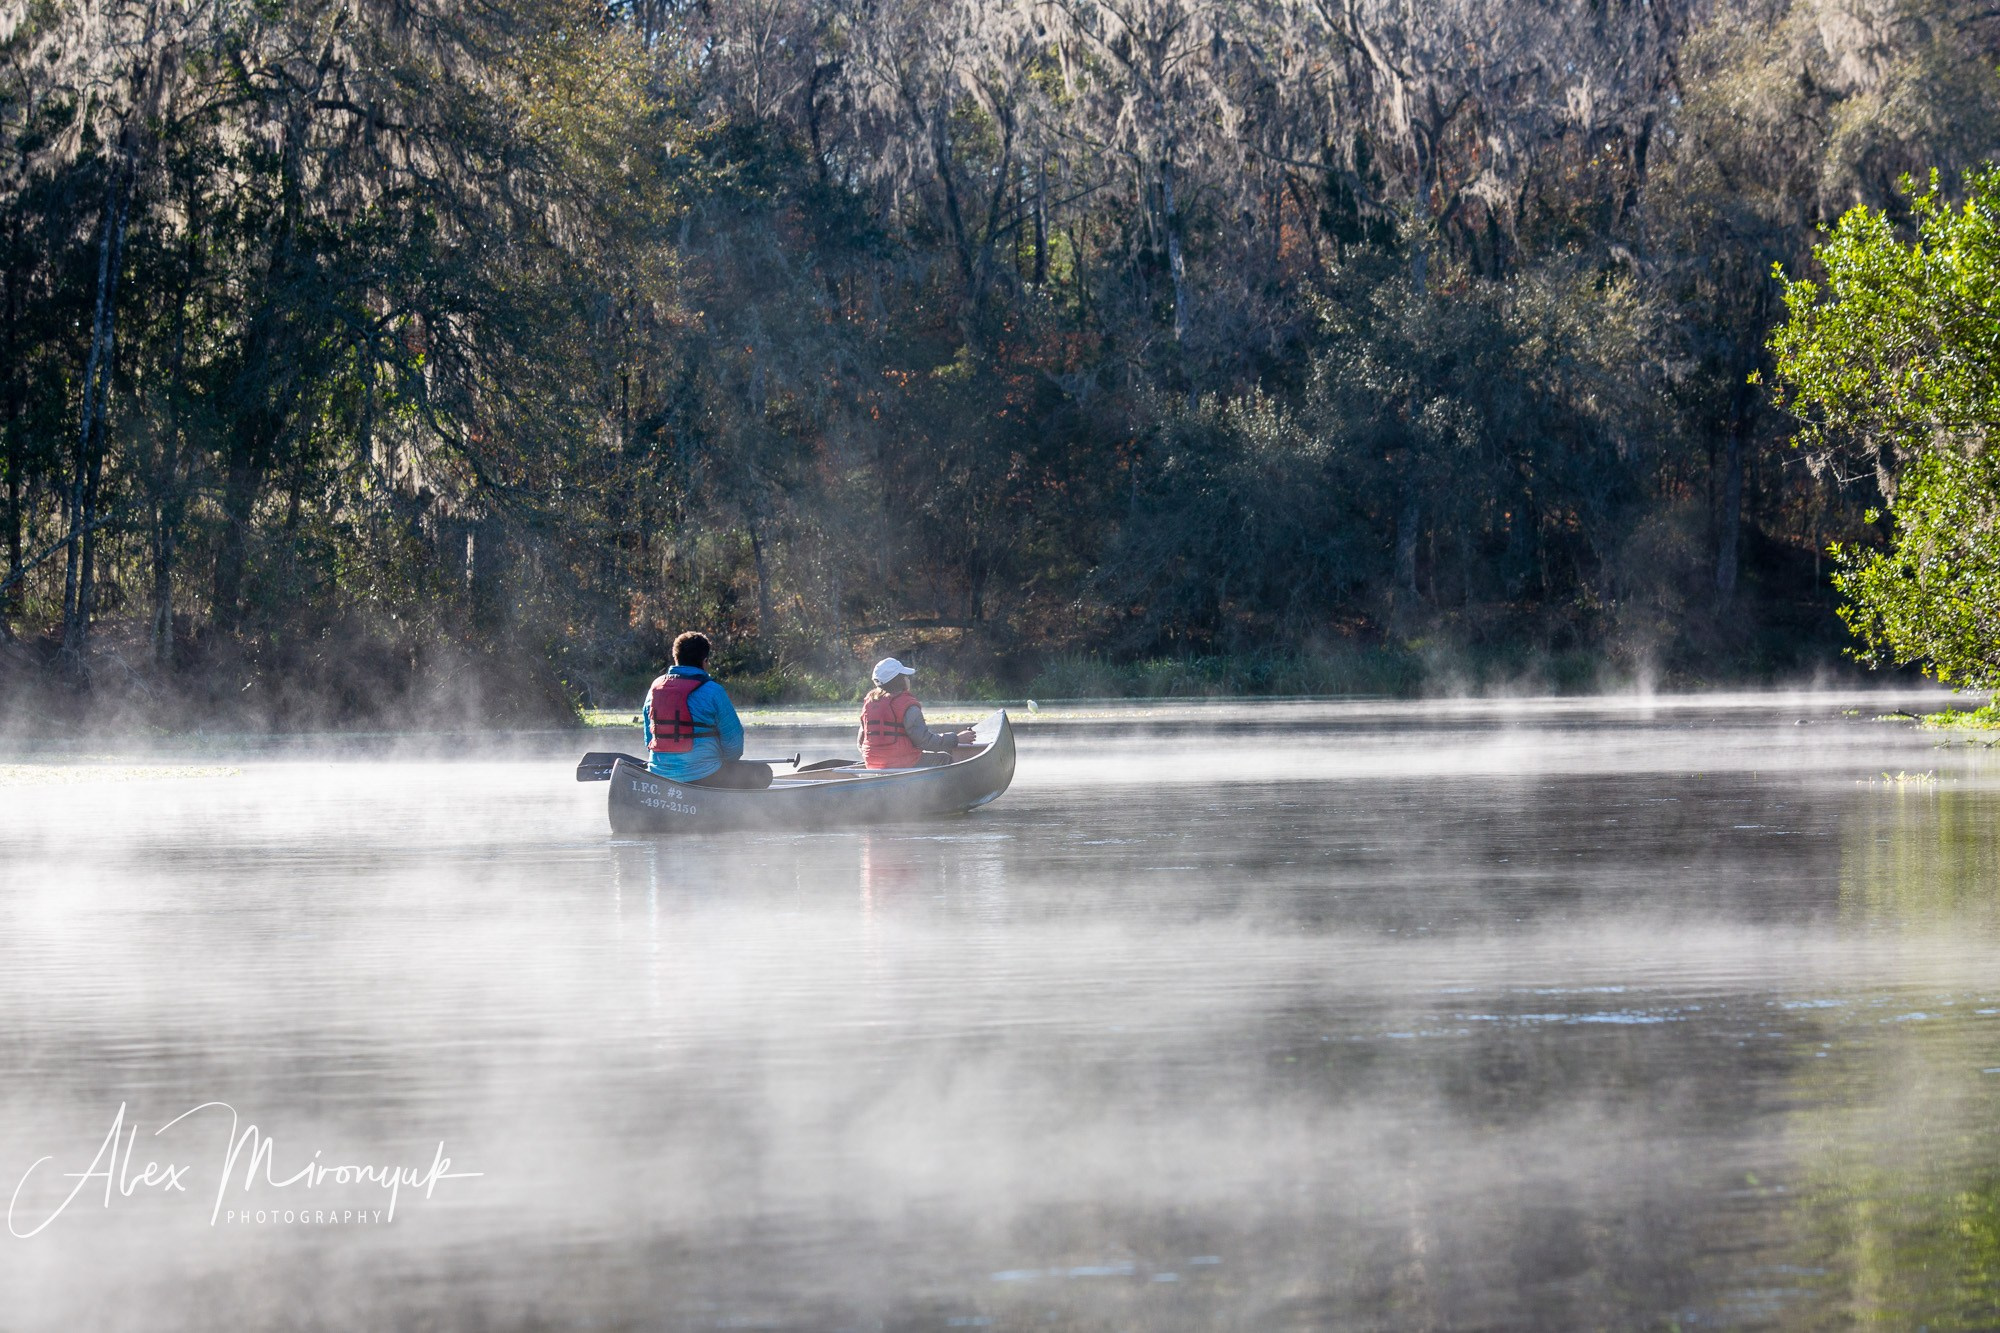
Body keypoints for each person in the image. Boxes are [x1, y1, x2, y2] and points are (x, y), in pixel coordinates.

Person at [643, 632, 772, 790]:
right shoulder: (713, 691)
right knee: (763, 772)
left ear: (676, 658)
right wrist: (725, 763)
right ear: (705, 661)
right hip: (704, 777)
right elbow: (734, 741)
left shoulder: (654, 690)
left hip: (659, 775)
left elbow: (649, 739)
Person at [858, 658, 975, 769]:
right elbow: (926, 742)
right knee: (944, 758)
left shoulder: (869, 705)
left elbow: (860, 743)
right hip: (903, 764)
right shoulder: (908, 707)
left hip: (872, 764)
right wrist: (957, 738)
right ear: (900, 681)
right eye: (905, 676)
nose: (908, 679)